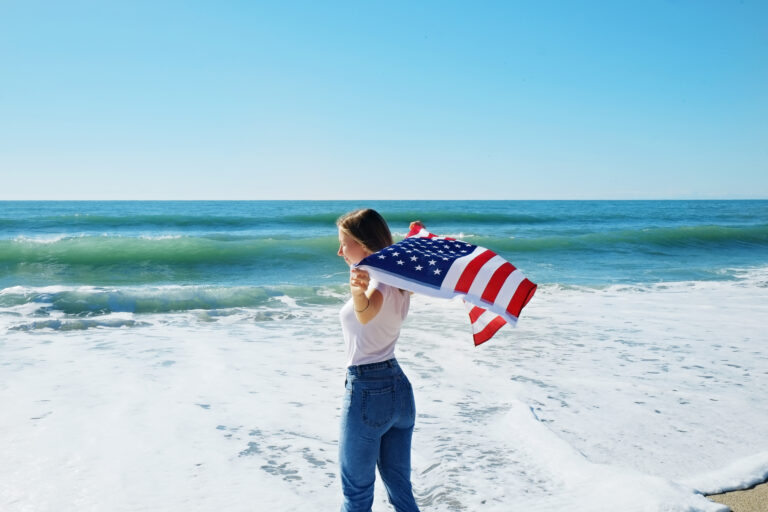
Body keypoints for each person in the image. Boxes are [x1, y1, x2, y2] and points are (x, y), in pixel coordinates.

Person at [336, 208, 420, 512]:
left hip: (369, 391)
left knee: (356, 495)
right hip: (399, 390)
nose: (340, 251)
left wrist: (358, 294)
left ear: (361, 242)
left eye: (344, 243)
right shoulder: (398, 280)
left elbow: (368, 312)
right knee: (400, 491)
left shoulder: (378, 283)